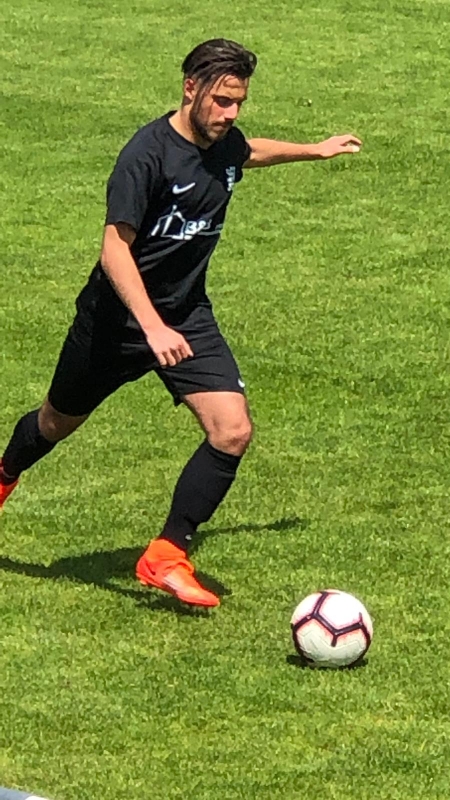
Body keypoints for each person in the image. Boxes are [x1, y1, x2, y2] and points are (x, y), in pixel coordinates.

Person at [0, 38, 361, 607]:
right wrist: (150, 326)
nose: (231, 113)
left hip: (187, 316)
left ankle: (166, 554)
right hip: (116, 324)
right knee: (54, 422)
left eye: (239, 102)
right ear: (190, 88)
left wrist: (314, 150)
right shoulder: (145, 156)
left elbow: (248, 152)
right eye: (222, 101)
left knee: (232, 430)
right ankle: (4, 475)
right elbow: (114, 249)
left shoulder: (223, 142)